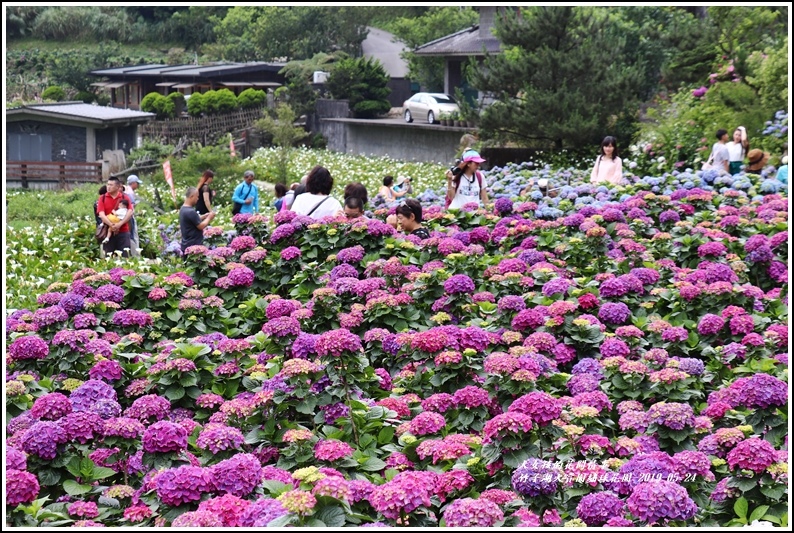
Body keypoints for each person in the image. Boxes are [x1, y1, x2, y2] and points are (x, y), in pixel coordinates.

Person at [96, 177, 134, 257]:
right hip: (108, 233)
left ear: (117, 186)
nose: (108, 187)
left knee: (125, 258)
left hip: (123, 231)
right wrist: (111, 225)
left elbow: (130, 212)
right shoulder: (102, 198)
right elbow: (101, 214)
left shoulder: (124, 198)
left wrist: (119, 224)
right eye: (108, 184)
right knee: (108, 258)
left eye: (111, 185)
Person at [180, 186, 217, 252]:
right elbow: (201, 226)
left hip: (186, 245)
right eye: (197, 196)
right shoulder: (190, 211)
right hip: (194, 246)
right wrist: (209, 218)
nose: (198, 199)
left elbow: (192, 220)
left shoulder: (183, 208)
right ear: (191, 196)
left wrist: (204, 216)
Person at [124, 174, 143, 257]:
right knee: (133, 235)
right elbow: (131, 206)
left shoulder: (126, 190)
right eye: (137, 183)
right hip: (130, 216)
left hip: (125, 216)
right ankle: (135, 255)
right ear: (133, 183)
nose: (138, 185)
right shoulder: (130, 193)